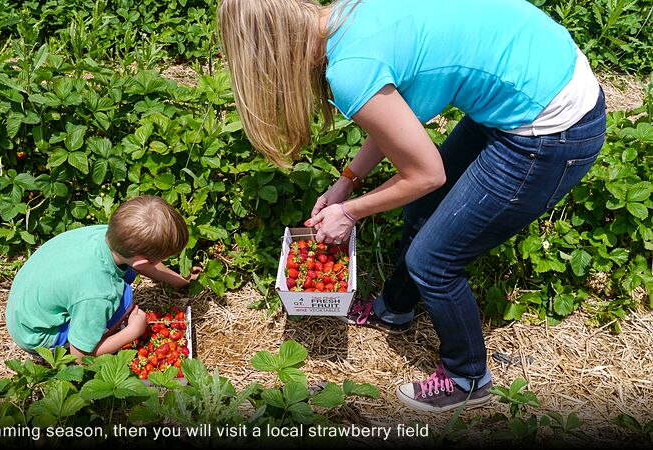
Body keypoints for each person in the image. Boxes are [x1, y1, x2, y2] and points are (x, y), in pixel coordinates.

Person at [218, 0, 606, 412]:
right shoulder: (348, 13)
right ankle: (394, 310)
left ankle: (468, 376)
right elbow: (391, 119)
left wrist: (349, 213)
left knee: (433, 262)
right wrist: (346, 183)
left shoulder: (349, 68)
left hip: (553, 124)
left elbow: (426, 174)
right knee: (420, 212)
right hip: (530, 76)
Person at [6, 195, 199, 360]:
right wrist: (132, 331)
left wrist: (180, 280)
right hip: (37, 335)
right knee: (122, 301)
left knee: (124, 275)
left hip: (26, 309)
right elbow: (80, 355)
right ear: (142, 262)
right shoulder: (98, 293)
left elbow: (144, 264)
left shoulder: (105, 234)